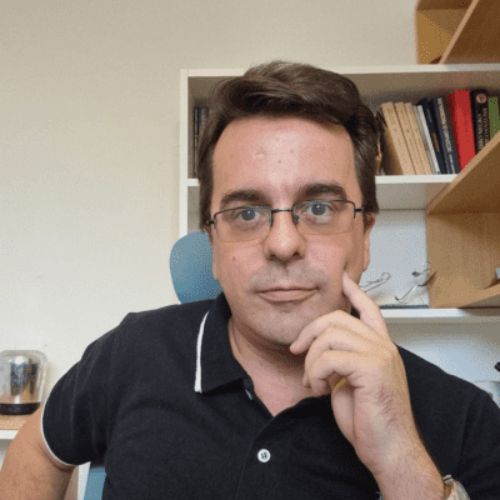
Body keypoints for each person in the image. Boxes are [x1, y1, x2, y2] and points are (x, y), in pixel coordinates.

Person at [1, 61, 499, 500]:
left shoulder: (466, 418)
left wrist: (401, 462)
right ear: (213, 244)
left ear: (364, 236)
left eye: (318, 208)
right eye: (247, 213)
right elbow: (40, 449)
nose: (283, 243)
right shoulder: (131, 352)